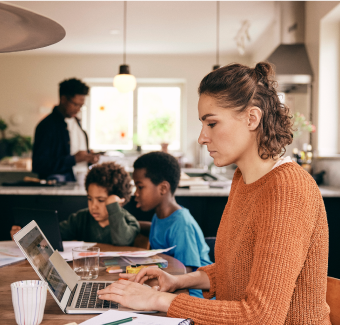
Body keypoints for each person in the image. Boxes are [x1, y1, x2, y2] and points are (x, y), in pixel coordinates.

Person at [97, 62, 331, 324]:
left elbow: (260, 316)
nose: (202, 137)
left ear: (252, 118)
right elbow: (237, 270)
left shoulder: (288, 190)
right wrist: (177, 281)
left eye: (212, 123)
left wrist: (157, 300)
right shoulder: (243, 179)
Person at [132, 151, 211, 298]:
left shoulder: (182, 224)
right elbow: (160, 232)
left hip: (194, 293)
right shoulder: (159, 216)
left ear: (162, 188)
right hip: (170, 284)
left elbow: (184, 271)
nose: (135, 193)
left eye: (140, 187)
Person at [11, 162, 140, 246]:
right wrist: (26, 236)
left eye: (101, 200)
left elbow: (122, 241)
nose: (93, 206)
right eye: (90, 199)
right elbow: (52, 235)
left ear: (120, 200)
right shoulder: (81, 218)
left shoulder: (129, 222)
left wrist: (113, 207)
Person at [32, 78, 99, 182]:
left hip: (81, 183)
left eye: (81, 106)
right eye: (75, 104)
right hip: (60, 189)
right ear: (63, 99)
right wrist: (74, 159)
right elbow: (39, 165)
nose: (78, 109)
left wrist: (89, 158)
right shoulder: (46, 126)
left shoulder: (77, 123)